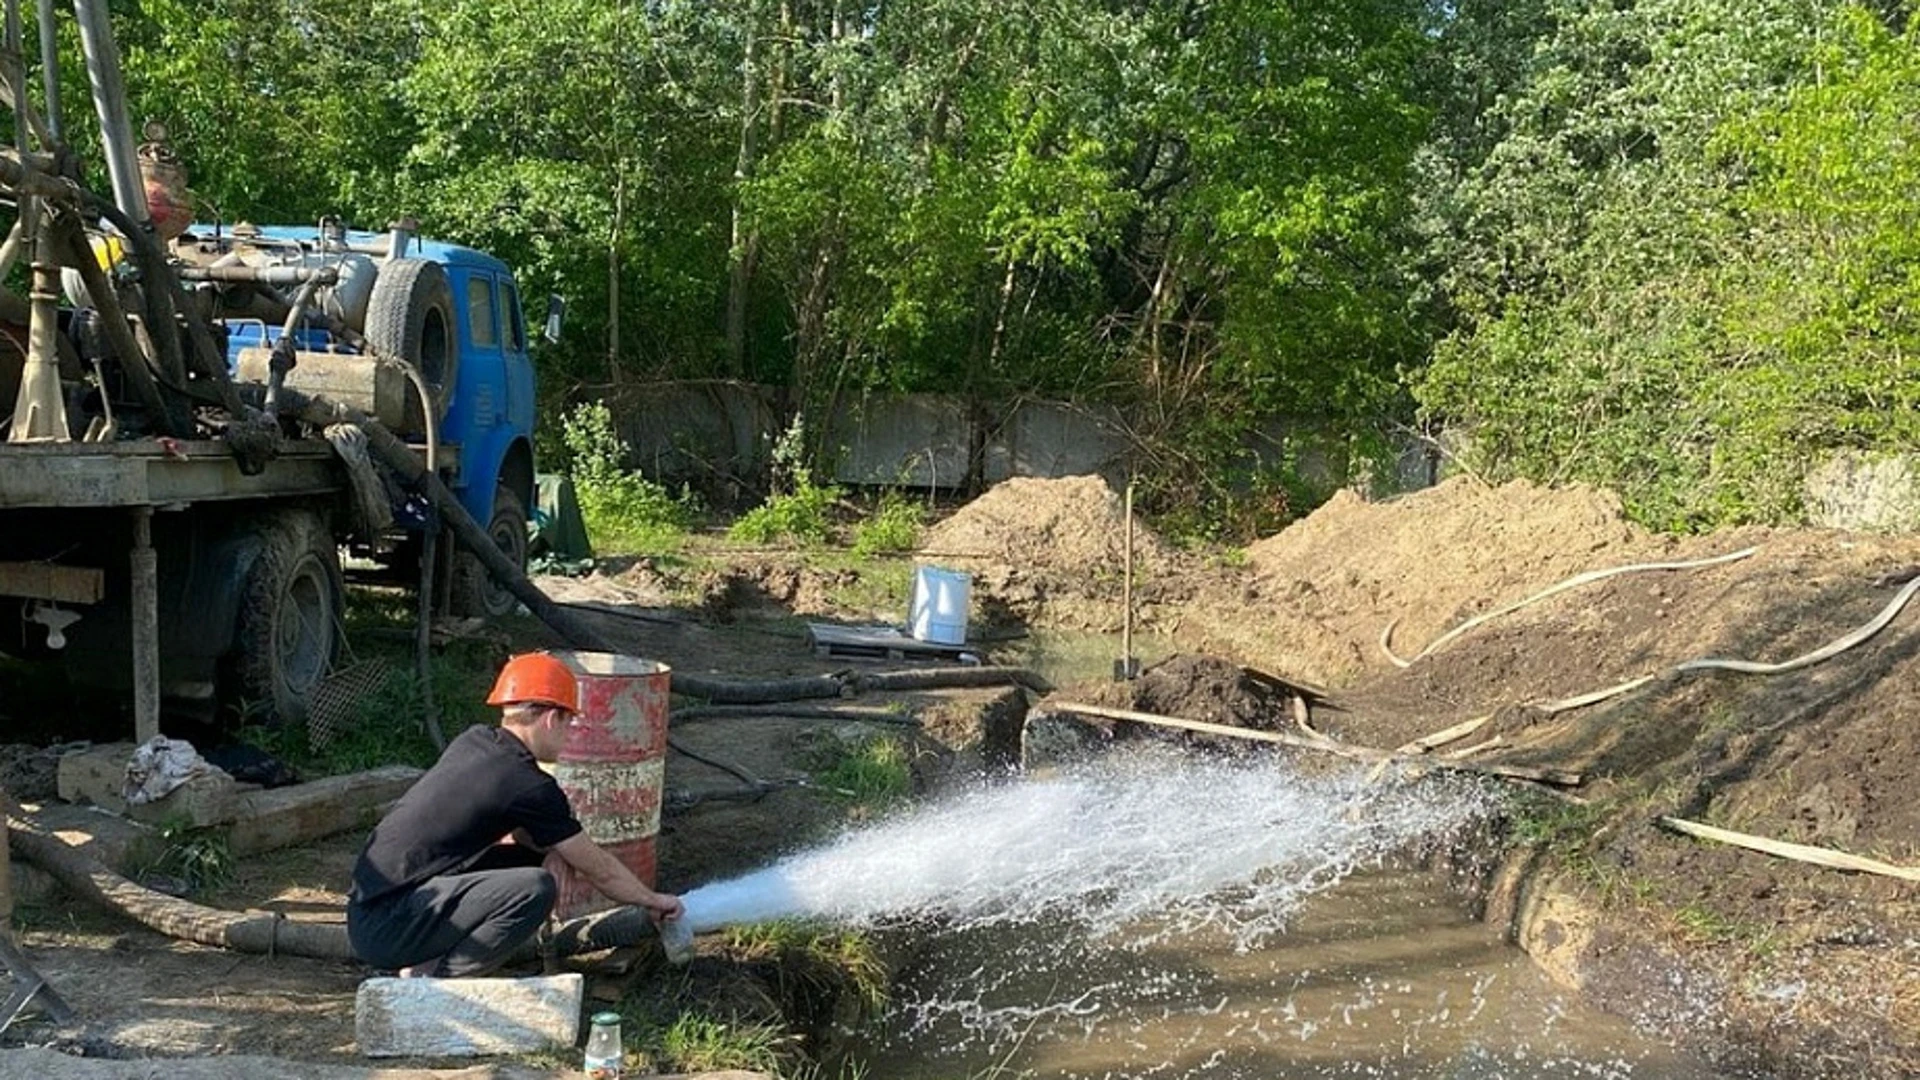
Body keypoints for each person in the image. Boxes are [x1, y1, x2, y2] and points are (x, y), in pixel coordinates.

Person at [347, 652, 684, 977]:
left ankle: (428, 959)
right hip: (387, 926)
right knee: (534, 888)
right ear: (553, 719)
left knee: (528, 861)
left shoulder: (475, 741)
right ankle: (438, 981)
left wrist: (554, 851)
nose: (568, 737)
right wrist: (652, 900)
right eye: (569, 724)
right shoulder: (529, 784)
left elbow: (527, 831)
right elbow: (599, 869)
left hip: (374, 907)